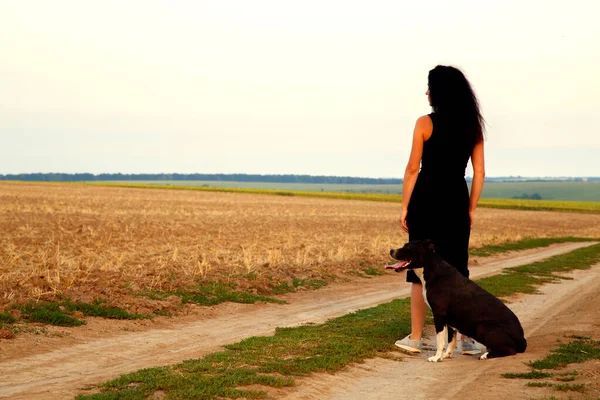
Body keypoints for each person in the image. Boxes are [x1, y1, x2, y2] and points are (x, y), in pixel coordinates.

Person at [393, 65, 486, 355]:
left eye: (429, 86)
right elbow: (480, 172)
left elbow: (412, 169)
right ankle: (468, 339)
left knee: (419, 269)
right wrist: (470, 208)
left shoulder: (425, 123)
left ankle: (416, 338)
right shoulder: (473, 126)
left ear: (439, 91)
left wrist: (405, 206)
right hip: (456, 201)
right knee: (458, 270)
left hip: (426, 200)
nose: (426, 92)